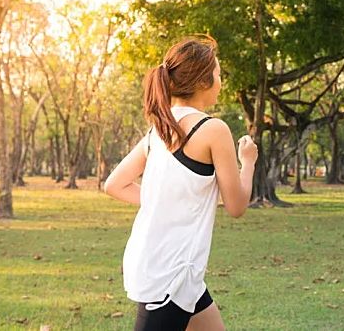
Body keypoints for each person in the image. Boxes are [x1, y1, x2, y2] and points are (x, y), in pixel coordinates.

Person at [104, 35, 258, 331]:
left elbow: (115, 184)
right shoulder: (213, 129)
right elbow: (237, 205)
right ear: (202, 81)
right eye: (218, 75)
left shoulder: (158, 130)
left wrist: (166, 202)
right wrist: (248, 162)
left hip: (177, 271)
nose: (220, 82)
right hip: (170, 277)